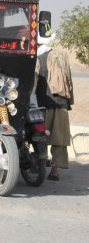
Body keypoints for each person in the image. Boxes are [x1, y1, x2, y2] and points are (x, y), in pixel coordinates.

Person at [35, 33, 74, 181]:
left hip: (44, 104)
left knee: (41, 137)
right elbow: (69, 81)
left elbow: (33, 82)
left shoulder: (39, 59)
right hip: (62, 104)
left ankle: (40, 168)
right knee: (59, 139)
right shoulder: (62, 58)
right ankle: (55, 171)